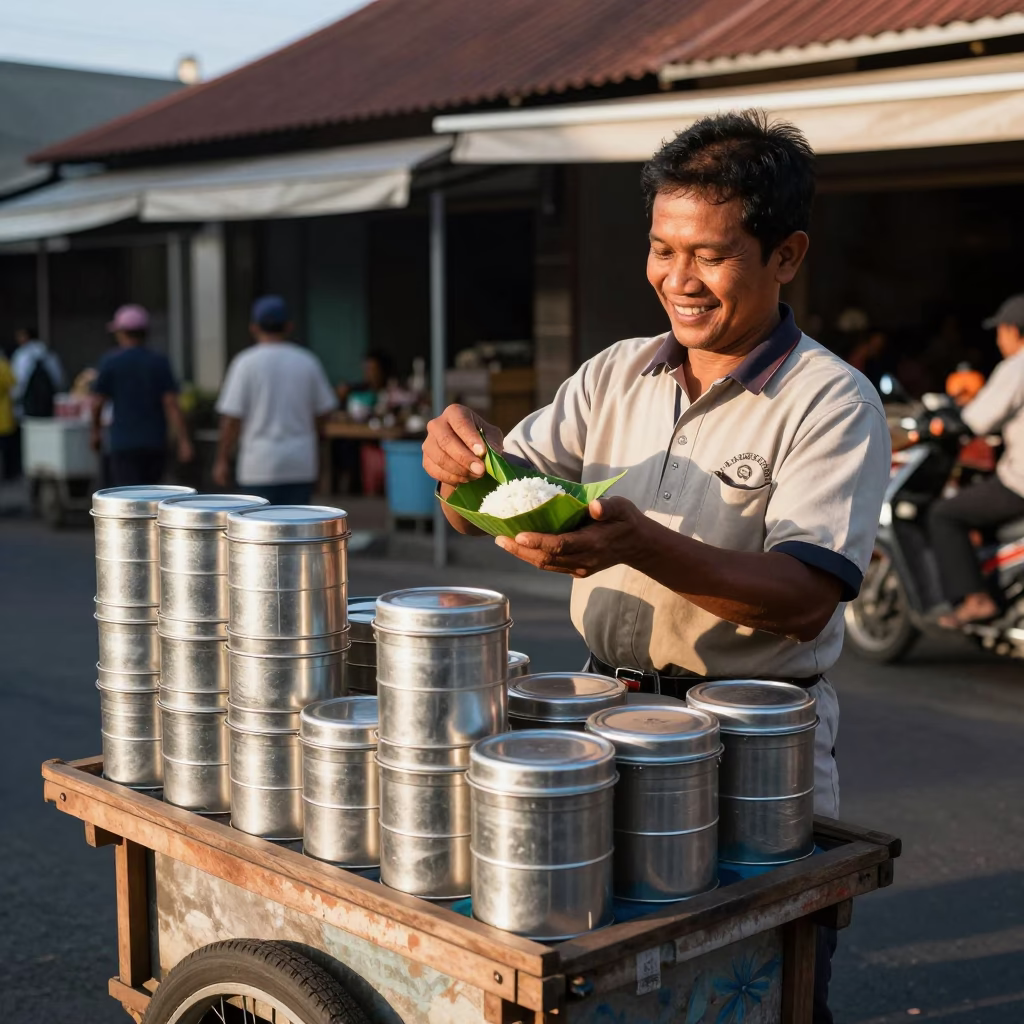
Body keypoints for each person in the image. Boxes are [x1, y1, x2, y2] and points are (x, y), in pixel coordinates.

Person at [423, 111, 890, 1023]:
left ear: (786, 255)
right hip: (607, 715)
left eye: (710, 256)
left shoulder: (829, 400)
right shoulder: (615, 373)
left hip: (753, 739)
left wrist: (641, 543)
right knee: (612, 976)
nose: (679, 279)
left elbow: (803, 599)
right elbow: (492, 499)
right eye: (661, 248)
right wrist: (463, 467)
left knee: (755, 986)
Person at [930, 295, 1024, 627]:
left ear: (1014, 331)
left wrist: (951, 421)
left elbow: (977, 421)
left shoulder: (1017, 366)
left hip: (1019, 483)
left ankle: (976, 598)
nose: (998, 339)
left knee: (944, 515)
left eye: (1000, 331)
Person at [213, 296, 337, 505]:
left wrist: (222, 459)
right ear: (289, 327)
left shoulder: (245, 363)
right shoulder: (307, 362)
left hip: (258, 465)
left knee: (259, 533)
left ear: (254, 327)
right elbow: (324, 412)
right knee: (297, 533)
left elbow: (232, 418)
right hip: (300, 463)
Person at [91, 305, 193, 486]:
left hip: (123, 442)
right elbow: (171, 404)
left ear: (121, 333)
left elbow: (98, 402)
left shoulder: (111, 362)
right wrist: (184, 441)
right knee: (153, 496)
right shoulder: (159, 362)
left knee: (127, 498)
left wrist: (96, 432)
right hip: (155, 441)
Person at [0, 351, 17, 482]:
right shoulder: (4, 366)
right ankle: (9, 473)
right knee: (7, 447)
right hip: (4, 412)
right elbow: (14, 386)